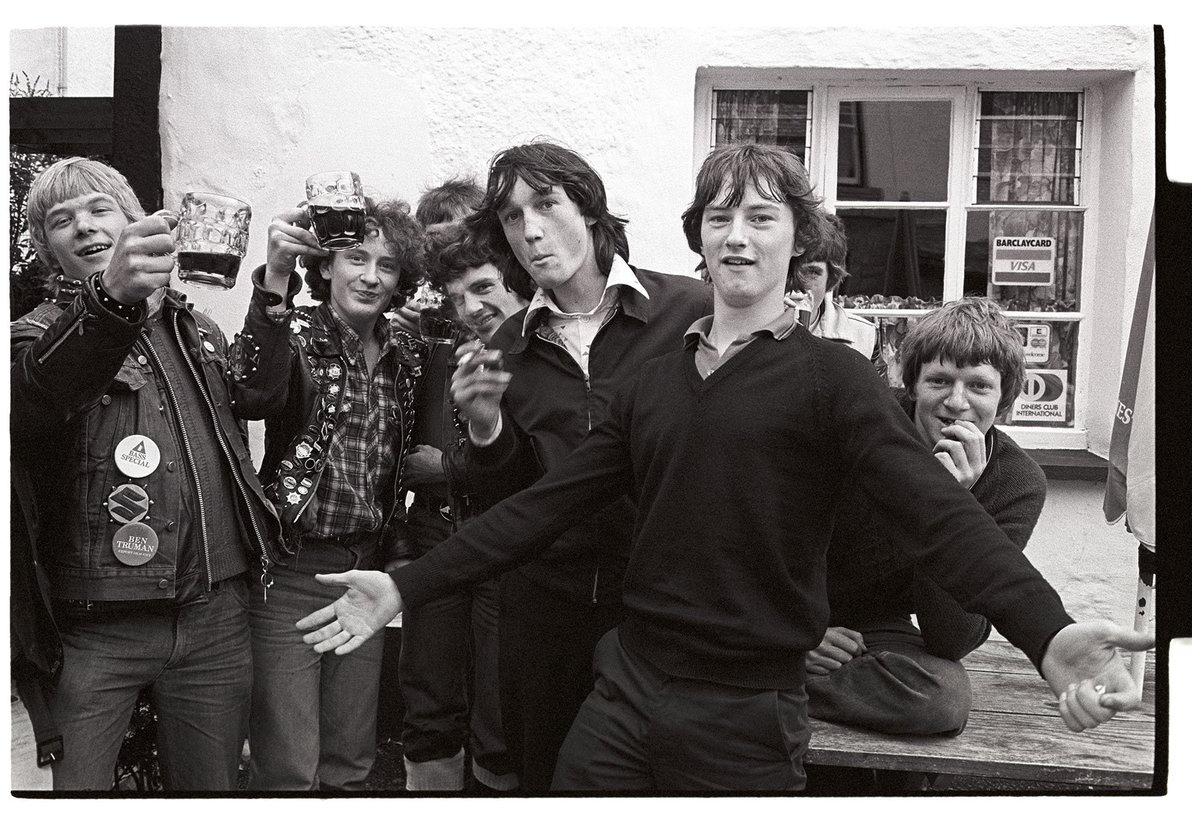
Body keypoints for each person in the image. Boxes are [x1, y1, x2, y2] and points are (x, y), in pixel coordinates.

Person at [295, 143, 1150, 792]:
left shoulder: (834, 379)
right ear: (697, 236)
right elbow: (544, 505)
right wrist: (407, 586)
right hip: (625, 692)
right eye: (719, 218)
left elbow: (944, 516)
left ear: (798, 240)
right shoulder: (656, 376)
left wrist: (1050, 633)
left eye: (762, 218)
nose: (737, 238)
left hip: (747, 716)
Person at [434, 141, 711, 792]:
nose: (529, 229)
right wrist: (484, 428)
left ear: (588, 208)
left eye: (545, 203)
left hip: (658, 613)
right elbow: (506, 503)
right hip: (543, 622)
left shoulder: (687, 312)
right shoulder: (507, 346)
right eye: (510, 217)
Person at [10, 156, 285, 790]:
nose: (82, 226)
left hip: (216, 614)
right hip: (94, 627)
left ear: (136, 221)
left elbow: (262, 396)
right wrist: (110, 302)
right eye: (61, 220)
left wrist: (274, 284)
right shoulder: (33, 335)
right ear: (50, 253)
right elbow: (34, 400)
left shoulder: (195, 328)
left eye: (99, 208)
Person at [803, 297, 1046, 791]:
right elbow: (766, 538)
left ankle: (757, 678)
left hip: (880, 632)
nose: (956, 402)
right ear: (912, 384)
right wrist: (796, 634)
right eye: (939, 381)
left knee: (943, 698)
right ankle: (766, 666)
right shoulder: (859, 428)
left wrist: (956, 503)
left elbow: (953, 638)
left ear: (1006, 400)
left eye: (978, 385)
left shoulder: (1016, 481)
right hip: (792, 606)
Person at [228, 194, 427, 790]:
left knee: (349, 758)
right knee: (287, 764)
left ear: (400, 281)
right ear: (326, 266)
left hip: (362, 574)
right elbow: (252, 396)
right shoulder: (291, 331)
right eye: (356, 258)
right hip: (289, 569)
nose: (370, 276)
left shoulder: (409, 353)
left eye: (387, 266)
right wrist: (275, 277)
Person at [393, 218, 527, 790]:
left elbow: (539, 465)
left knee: (502, 704)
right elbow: (395, 443)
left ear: (515, 280)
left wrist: (447, 469)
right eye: (456, 296)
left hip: (508, 544)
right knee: (429, 696)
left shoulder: (543, 350)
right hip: (437, 534)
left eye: (483, 289)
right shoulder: (435, 348)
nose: (469, 307)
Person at [788, 212, 885, 376]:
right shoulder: (745, 329)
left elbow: (877, 401)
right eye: (789, 270)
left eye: (812, 272)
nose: (798, 283)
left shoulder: (862, 336)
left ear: (830, 279)